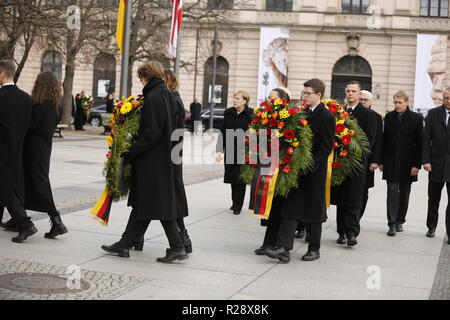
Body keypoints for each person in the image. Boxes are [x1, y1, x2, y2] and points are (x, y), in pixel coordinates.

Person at [101, 61, 188, 263]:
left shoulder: (154, 96)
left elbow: (152, 132)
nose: (140, 81)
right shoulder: (165, 93)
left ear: (146, 76)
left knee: (158, 204)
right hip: (161, 158)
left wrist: (132, 150)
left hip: (152, 160)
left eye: (140, 77)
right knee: (144, 204)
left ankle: (177, 247)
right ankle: (125, 244)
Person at [263, 79, 335, 262]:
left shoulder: (326, 117)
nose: (304, 96)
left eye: (307, 93)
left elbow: (325, 148)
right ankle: (284, 249)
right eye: (303, 93)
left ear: (318, 95)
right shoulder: (301, 113)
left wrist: (308, 166)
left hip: (313, 171)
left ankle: (314, 248)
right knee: (291, 208)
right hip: (296, 169)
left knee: (314, 211)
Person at [331, 81, 378, 247]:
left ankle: (352, 232)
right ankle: (341, 231)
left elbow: (371, 140)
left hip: (357, 163)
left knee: (354, 198)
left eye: (353, 91)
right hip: (339, 162)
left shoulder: (368, 115)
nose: (350, 94)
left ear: (359, 94)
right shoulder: (338, 112)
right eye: (348, 91)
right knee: (341, 197)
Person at [25, 72, 69, 238]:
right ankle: (18, 218)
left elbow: (30, 126)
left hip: (32, 149)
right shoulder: (54, 104)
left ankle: (56, 221)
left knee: (40, 184)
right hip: (44, 148)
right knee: (31, 182)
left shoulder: (39, 104)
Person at [0, 60, 37, 243]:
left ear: (2, 74)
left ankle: (25, 223)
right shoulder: (26, 98)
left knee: (5, 188)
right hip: (18, 151)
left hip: (2, 150)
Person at [379, 91, 423, 236]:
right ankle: (391, 223)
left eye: (400, 102)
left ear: (406, 102)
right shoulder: (389, 116)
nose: (397, 105)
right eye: (395, 102)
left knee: (404, 194)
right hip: (391, 161)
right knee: (391, 193)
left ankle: (399, 221)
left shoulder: (416, 118)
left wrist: (417, 165)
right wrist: (381, 161)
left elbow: (420, 143)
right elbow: (384, 140)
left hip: (408, 163)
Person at [164, 69, 192, 254]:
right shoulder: (172, 99)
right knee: (171, 197)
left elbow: (175, 131)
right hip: (174, 153)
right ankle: (184, 239)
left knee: (172, 197)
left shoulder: (174, 100)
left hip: (172, 154)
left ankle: (183, 239)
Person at [216, 91, 253, 215]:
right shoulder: (229, 112)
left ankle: (238, 205)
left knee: (240, 178)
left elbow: (255, 132)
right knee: (232, 177)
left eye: (237, 99)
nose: (235, 101)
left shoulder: (251, 114)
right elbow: (223, 131)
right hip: (230, 149)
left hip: (244, 150)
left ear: (244, 101)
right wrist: (219, 149)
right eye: (234, 98)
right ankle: (234, 202)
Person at [423, 87, 450, 244]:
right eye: (445, 97)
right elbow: (426, 140)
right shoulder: (433, 114)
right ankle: (431, 226)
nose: (448, 100)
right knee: (433, 199)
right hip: (435, 164)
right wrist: (426, 160)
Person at [360, 90, 383, 218]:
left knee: (364, 190)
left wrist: (375, 161)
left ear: (371, 102)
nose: (363, 102)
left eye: (365, 100)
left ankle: (358, 217)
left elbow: (379, 141)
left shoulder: (376, 117)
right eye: (361, 99)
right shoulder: (351, 114)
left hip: (368, 160)